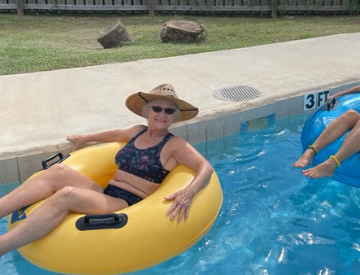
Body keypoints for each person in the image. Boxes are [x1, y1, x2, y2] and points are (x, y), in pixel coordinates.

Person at [0, 83, 214, 259]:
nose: (162, 114)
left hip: (127, 204)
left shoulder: (174, 144)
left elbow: (205, 167)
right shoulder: (137, 131)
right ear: (147, 111)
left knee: (67, 195)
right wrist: (85, 138)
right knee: (57, 172)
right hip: (106, 193)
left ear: (174, 117)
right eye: (157, 108)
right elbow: (113, 135)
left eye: (169, 111)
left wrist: (190, 192)